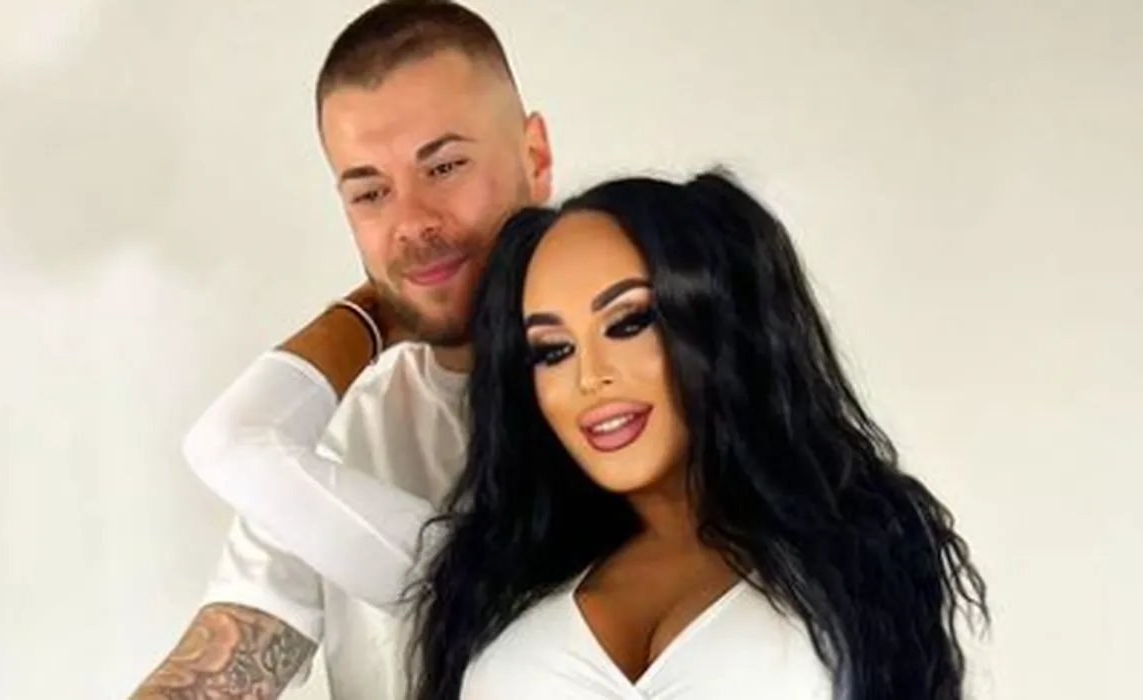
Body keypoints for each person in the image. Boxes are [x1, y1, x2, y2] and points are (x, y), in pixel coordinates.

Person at [190, 168, 991, 699]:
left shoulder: (857, 559)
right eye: (551, 349)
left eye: (629, 322)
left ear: (719, 323)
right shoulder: (477, 576)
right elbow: (235, 443)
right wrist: (384, 305)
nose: (589, 378)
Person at [129, 1, 553, 698]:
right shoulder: (340, 428)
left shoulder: (643, 398)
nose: (411, 223)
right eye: (371, 193)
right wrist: (373, 313)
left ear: (534, 158)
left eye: (445, 166)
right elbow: (214, 673)